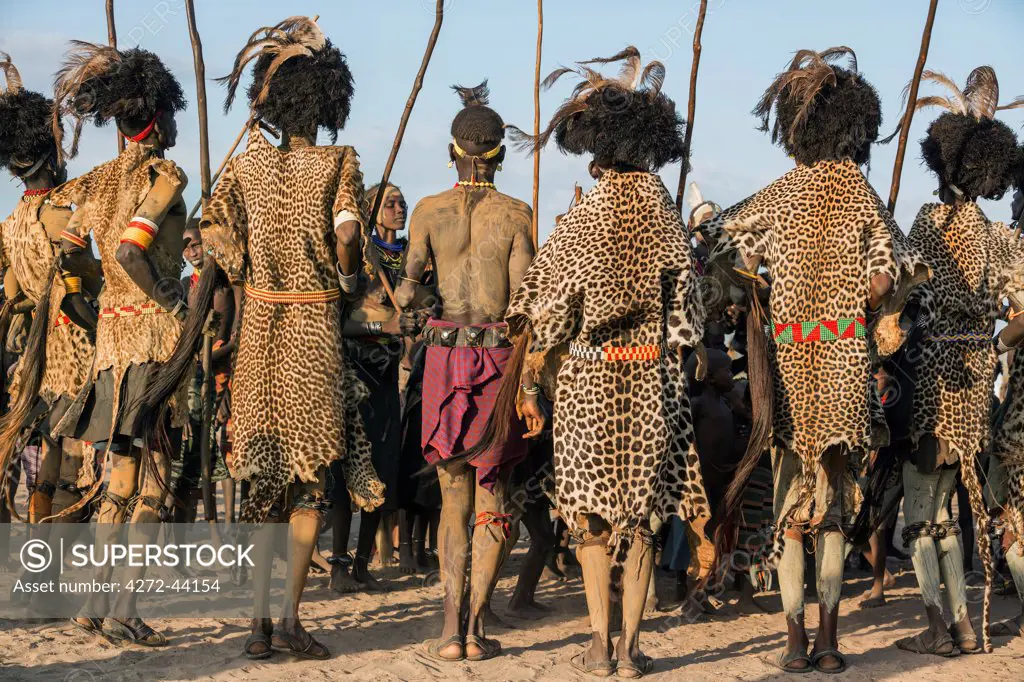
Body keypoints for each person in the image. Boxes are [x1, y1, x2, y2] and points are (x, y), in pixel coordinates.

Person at [139, 16, 385, 660]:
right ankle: (290, 620)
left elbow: (214, 233)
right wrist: (349, 273)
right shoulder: (339, 161)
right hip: (312, 335)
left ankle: (254, 625)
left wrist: (250, 267)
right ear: (326, 104)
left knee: (263, 485)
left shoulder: (243, 171)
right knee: (307, 489)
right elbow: (350, 238)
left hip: (259, 341)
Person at [700, 47, 924, 673]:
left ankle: (794, 645)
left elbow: (720, 247)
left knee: (791, 511)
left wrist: (762, 284)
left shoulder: (780, 192)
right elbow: (896, 273)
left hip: (792, 360)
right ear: (854, 127)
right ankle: (830, 645)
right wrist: (866, 298)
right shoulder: (863, 193)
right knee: (831, 511)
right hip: (846, 356)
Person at [494, 47, 710, 676]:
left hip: (589, 379)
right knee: (640, 523)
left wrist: (537, 367)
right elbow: (688, 317)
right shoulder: (665, 216)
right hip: (649, 381)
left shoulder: (588, 212)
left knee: (590, 520)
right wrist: (672, 347)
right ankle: (633, 646)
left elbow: (549, 303)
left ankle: (597, 641)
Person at [47, 40, 189, 647]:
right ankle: (124, 607)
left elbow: (64, 241)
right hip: (152, 344)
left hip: (109, 343)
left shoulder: (99, 179)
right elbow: (131, 249)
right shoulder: (165, 175)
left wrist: (90, 302)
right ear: (158, 118)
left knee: (120, 478)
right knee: (153, 484)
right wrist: (173, 298)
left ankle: (91, 603)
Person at [395, 80, 534, 662]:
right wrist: (531, 384)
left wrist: (414, 299)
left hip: (445, 357)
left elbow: (406, 292)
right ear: (500, 154)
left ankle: (451, 628)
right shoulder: (518, 213)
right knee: (492, 493)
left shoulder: (428, 211)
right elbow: (528, 302)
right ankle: (476, 628)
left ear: (453, 150)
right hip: (500, 356)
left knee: (453, 493)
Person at [896, 66, 1024, 656]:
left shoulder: (923, 225)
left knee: (923, 511)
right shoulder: (998, 236)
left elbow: (896, 301)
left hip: (931, 383)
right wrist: (994, 341)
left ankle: (936, 630)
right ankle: (966, 627)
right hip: (974, 387)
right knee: (951, 505)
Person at [0, 52, 99, 524]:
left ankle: (43, 565)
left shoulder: (11, 223)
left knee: (47, 452)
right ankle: (57, 565)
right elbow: (91, 280)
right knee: (74, 459)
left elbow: (12, 288)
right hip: (75, 343)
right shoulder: (63, 216)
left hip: (35, 355)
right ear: (53, 156)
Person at [331, 182, 425, 592]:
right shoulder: (358, 257)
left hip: (389, 377)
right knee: (344, 469)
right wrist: (382, 325)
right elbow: (342, 322)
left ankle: (362, 565)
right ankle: (338, 564)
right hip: (354, 376)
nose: (399, 207)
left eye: (403, 202)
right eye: (390, 203)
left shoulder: (409, 258)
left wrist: (415, 323)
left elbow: (424, 305)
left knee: (382, 470)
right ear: (372, 210)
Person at [171, 224, 238, 528]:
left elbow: (232, 337)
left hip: (221, 374)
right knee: (190, 459)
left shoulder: (226, 282)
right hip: (193, 377)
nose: (192, 251)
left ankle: (227, 522)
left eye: (197, 244)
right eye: (186, 246)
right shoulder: (184, 285)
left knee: (222, 454)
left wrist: (213, 358)